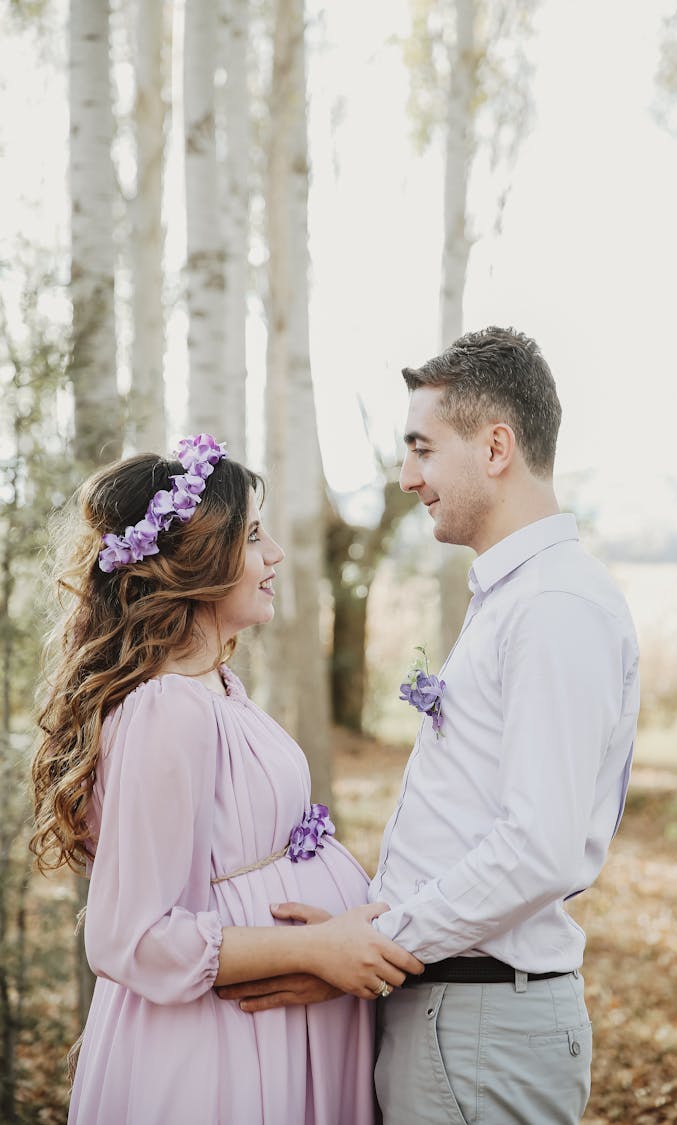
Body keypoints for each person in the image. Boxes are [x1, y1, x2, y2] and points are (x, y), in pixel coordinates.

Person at [226, 327, 640, 1125]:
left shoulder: (554, 608)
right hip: (454, 1016)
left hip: (480, 1030)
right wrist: (361, 933)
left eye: (422, 447)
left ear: (495, 447)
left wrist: (373, 950)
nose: (408, 476)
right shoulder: (516, 600)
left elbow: (538, 846)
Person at [29, 434, 422, 1125]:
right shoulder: (165, 709)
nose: (273, 557)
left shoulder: (215, 687)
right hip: (221, 1052)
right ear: (198, 560)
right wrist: (314, 948)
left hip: (268, 1031)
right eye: (254, 537)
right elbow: (130, 937)